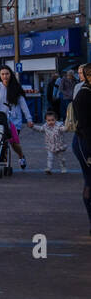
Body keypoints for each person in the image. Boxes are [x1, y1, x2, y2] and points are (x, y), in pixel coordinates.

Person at [0, 64, 33, 169]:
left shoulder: (16, 88)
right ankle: (5, 163)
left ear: (10, 74)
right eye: (2, 74)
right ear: (0, 75)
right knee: (2, 142)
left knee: (13, 143)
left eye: (7, 74)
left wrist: (29, 119)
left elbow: (23, 105)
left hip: (14, 122)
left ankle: (21, 156)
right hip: (1, 120)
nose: (5, 76)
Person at [69, 63, 91, 235]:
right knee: (90, 182)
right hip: (84, 143)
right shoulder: (83, 96)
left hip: (85, 141)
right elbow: (84, 128)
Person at [36, 109, 69, 174]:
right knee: (50, 157)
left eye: (52, 120)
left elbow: (63, 129)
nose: (51, 122)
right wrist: (33, 126)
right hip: (50, 145)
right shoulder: (45, 126)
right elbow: (40, 129)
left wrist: (66, 128)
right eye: (49, 120)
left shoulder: (59, 125)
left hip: (59, 145)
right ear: (46, 120)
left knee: (61, 159)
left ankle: (63, 167)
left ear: (56, 119)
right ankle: (49, 168)